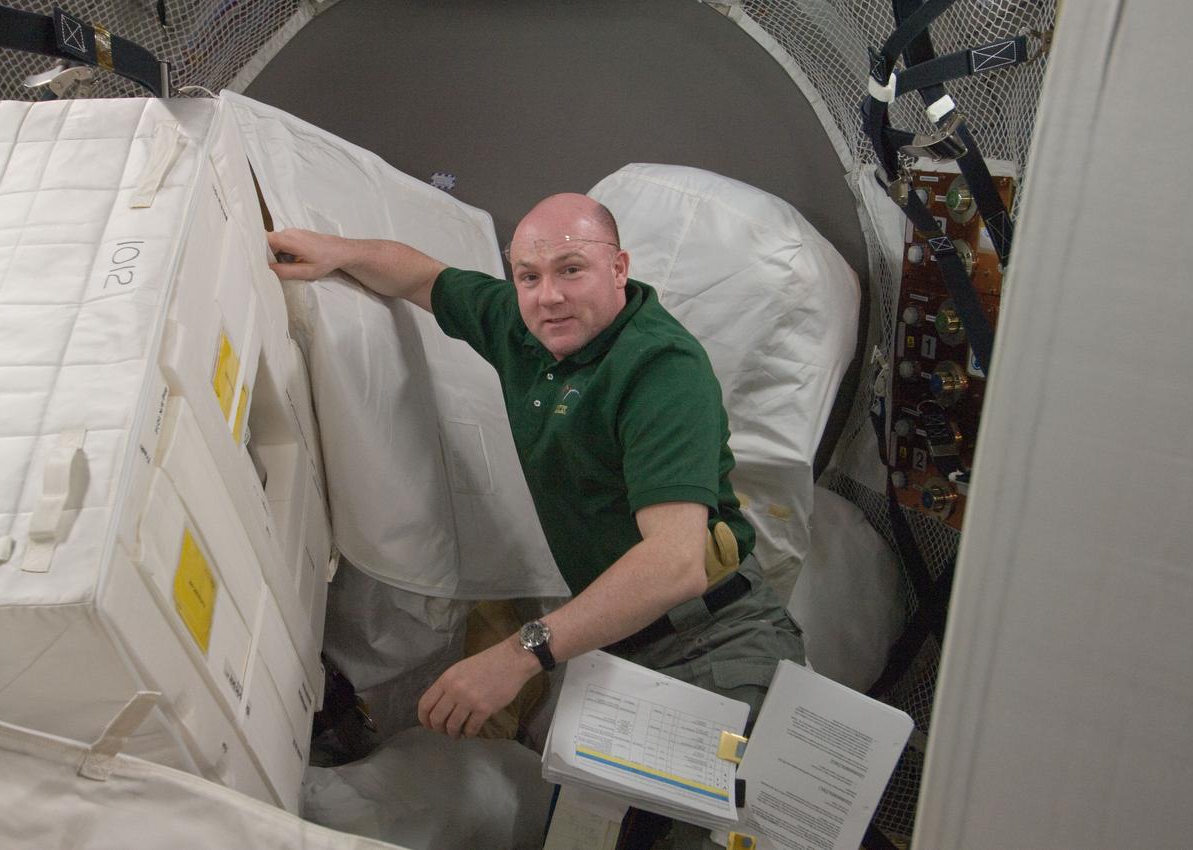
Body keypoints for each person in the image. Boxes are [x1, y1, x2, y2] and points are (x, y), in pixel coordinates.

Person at [270, 193, 804, 845]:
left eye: (571, 269)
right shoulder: (524, 328)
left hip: (715, 644)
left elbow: (676, 561)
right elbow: (420, 276)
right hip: (624, 657)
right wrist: (337, 254)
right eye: (528, 275)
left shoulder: (660, 369)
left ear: (619, 269)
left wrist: (519, 656)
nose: (548, 294)